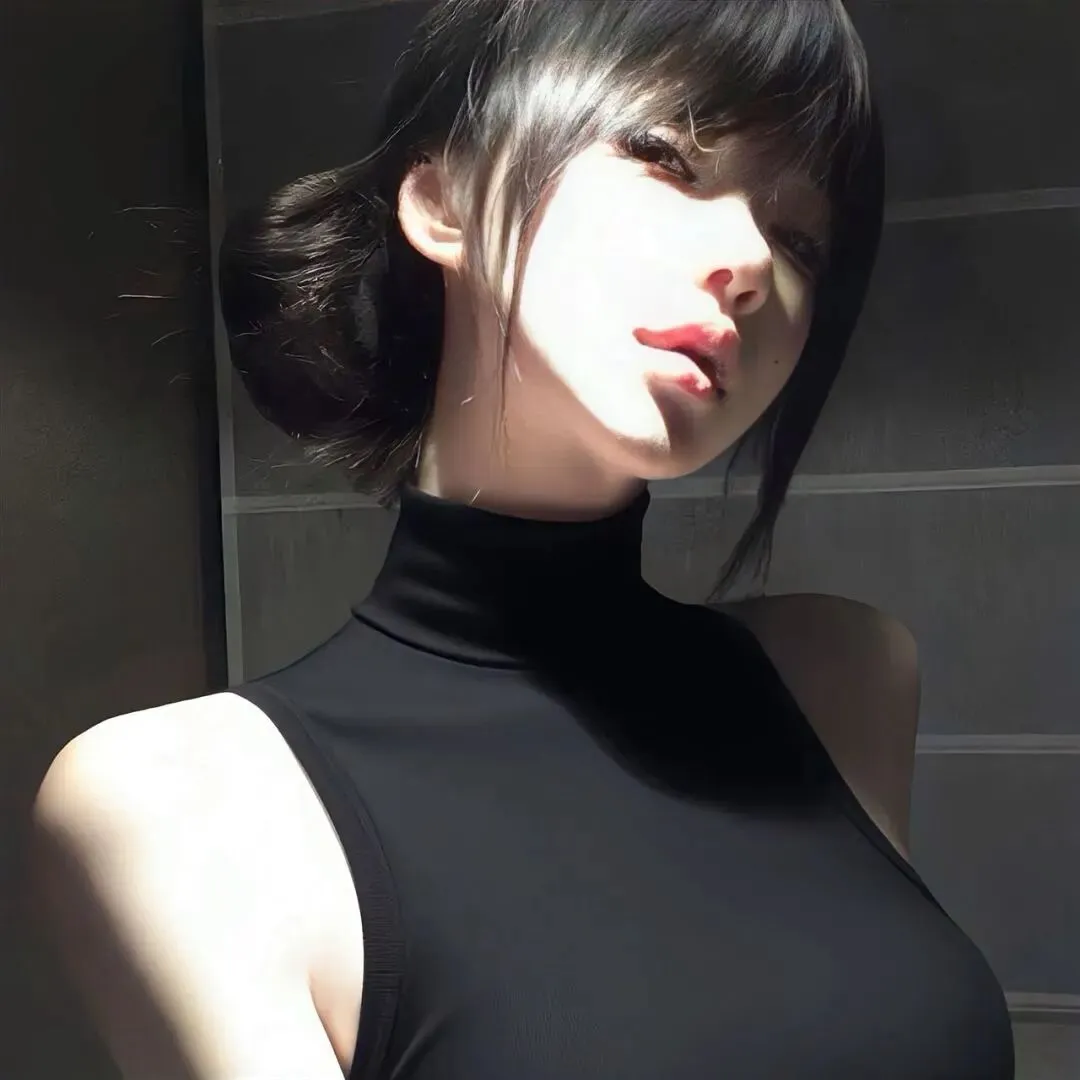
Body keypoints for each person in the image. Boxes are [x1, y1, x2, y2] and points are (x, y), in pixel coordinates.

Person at [32, 2, 1015, 1078]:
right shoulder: (184, 804)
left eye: (800, 239)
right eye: (666, 155)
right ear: (444, 199)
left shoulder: (841, 678)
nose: (748, 259)